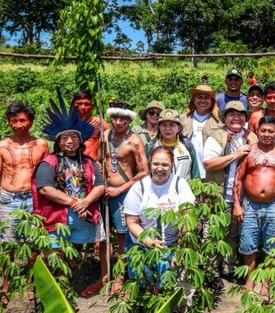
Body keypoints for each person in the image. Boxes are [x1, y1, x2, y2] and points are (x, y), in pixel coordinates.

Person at [33, 93, 105, 294]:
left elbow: (100, 185)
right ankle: (54, 294)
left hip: (83, 219)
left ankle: (69, 291)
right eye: (65, 137)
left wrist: (87, 201)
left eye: (74, 137)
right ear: (58, 141)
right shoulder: (50, 162)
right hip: (58, 220)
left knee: (73, 258)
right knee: (55, 258)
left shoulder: (89, 162)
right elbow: (46, 188)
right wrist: (75, 202)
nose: (70, 141)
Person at [0, 102, 49, 302]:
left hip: (34, 198)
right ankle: (6, 284)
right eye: (14, 121)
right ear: (9, 122)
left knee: (34, 244)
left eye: (23, 120)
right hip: (9, 198)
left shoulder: (41, 144)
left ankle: (33, 282)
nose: (18, 124)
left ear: (30, 121)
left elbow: (48, 172)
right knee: (9, 244)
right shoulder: (2, 146)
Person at [232, 116, 275, 291]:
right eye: (263, 130)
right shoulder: (248, 153)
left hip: (274, 205)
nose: (267, 134)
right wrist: (237, 204)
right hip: (250, 204)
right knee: (248, 243)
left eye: (271, 131)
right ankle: (250, 279)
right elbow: (238, 179)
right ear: (257, 131)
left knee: (272, 244)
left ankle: (266, 280)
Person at [123, 146, 196, 287]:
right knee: (143, 283)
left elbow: (186, 219)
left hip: (172, 244)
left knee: (170, 284)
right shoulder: (140, 187)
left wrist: (180, 251)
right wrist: (149, 241)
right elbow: (132, 222)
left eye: (165, 165)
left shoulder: (180, 185)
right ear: (150, 164)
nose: (160, 168)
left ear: (172, 166)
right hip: (142, 244)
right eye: (156, 164)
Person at [203, 101, 258, 276]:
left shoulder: (252, 137)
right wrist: (236, 154)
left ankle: (228, 267)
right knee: (214, 233)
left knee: (234, 233)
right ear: (225, 117)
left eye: (240, 114)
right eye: (232, 114)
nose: (236, 118)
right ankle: (211, 271)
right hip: (219, 195)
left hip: (242, 197)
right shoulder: (216, 136)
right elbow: (209, 164)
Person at [100, 101, 149, 295]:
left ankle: (120, 277)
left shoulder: (134, 141)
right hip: (105, 191)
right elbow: (99, 160)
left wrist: (120, 190)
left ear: (129, 120)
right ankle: (104, 274)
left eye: (123, 119)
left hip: (124, 194)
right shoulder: (105, 136)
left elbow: (144, 171)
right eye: (115, 118)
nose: (118, 122)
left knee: (122, 236)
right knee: (103, 236)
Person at [180, 84, 221, 179]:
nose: (203, 100)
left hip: (211, 173)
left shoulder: (219, 122)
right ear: (193, 100)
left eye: (206, 98)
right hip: (188, 173)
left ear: (212, 101)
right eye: (199, 97)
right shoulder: (182, 119)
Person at [153, 109, 200, 181]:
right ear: (159, 127)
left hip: (184, 190)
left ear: (179, 128)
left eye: (172, 125)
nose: (167, 129)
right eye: (164, 125)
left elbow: (195, 171)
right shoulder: (152, 146)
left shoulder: (187, 145)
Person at [72, 90, 108, 162]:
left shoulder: (99, 122)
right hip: (72, 164)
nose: (83, 107)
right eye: (79, 103)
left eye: (87, 104)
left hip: (93, 163)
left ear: (92, 106)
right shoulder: (67, 123)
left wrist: (101, 161)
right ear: (73, 105)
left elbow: (110, 143)